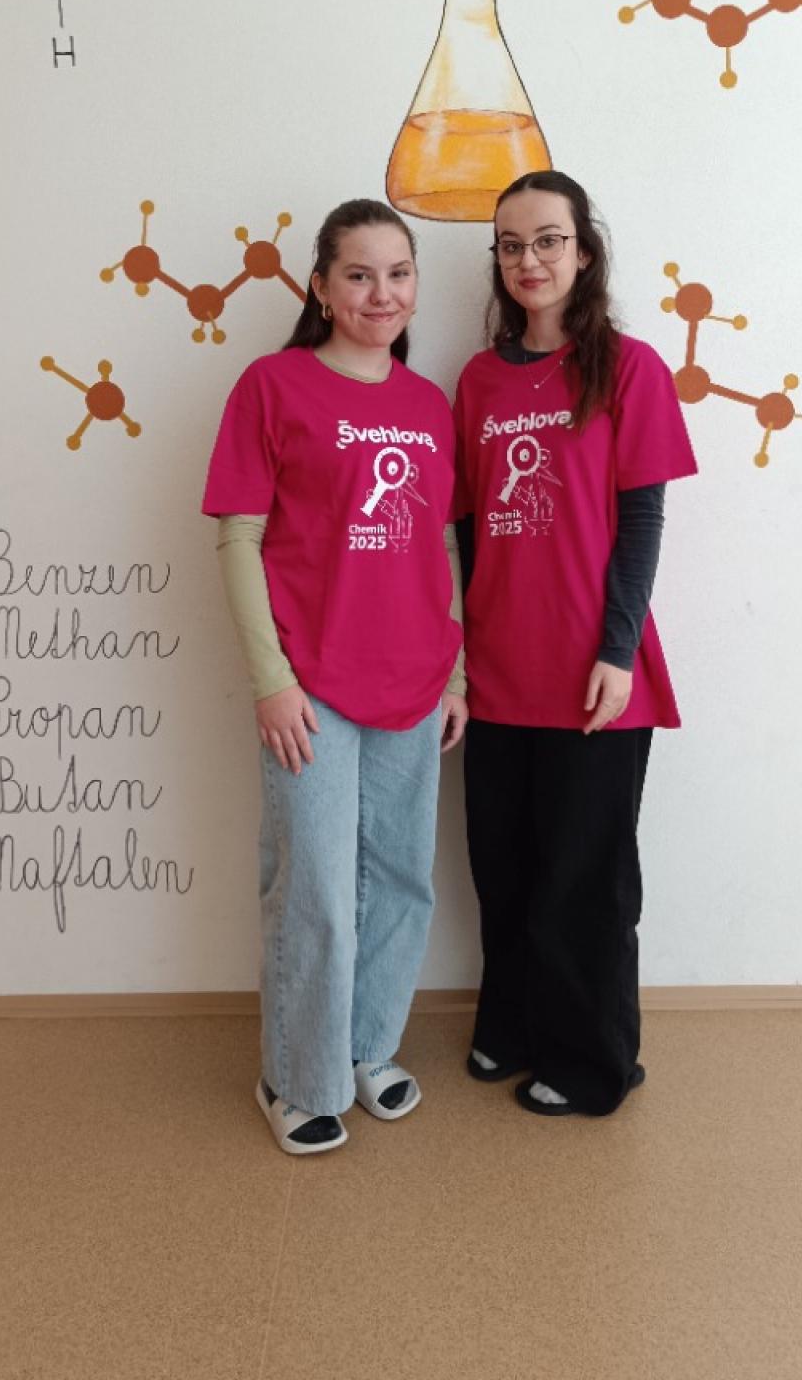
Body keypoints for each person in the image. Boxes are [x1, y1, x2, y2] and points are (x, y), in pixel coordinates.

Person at [203, 198, 467, 1155]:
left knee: (400, 879)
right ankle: (296, 1078)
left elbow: (441, 545)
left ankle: (365, 1048)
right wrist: (269, 679)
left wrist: (457, 671)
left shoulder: (428, 405)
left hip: (415, 679)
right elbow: (238, 537)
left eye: (399, 273)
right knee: (312, 887)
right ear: (320, 287)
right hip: (309, 684)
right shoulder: (271, 386)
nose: (381, 293)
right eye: (359, 274)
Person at [452, 170, 697, 1118]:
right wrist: (457, 658)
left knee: (584, 878)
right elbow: (467, 531)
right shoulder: (477, 381)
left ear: (583, 251)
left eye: (548, 240)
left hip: (596, 672)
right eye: (512, 244)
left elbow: (642, 522)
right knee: (503, 866)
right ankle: (515, 1026)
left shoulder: (628, 367)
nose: (530, 260)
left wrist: (618, 648)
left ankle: (594, 1062)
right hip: (497, 668)